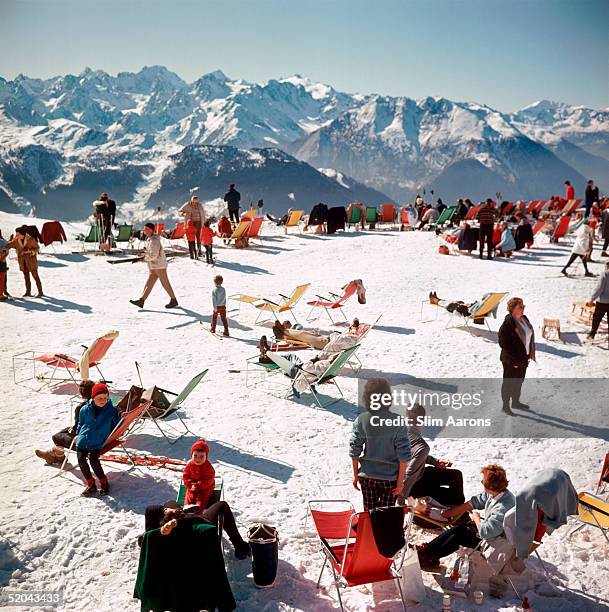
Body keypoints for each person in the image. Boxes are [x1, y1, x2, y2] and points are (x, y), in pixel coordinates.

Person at [417, 464, 515, 571]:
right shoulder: (500, 493)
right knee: (459, 529)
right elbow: (478, 500)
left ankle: (428, 555)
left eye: (483, 481)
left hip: (497, 543)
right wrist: (451, 512)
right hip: (495, 533)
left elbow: (486, 533)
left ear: (489, 486)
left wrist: (476, 518)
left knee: (459, 535)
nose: (481, 483)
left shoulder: (502, 507)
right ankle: (428, 552)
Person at [349, 379, 411, 510]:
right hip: (390, 479)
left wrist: (355, 476)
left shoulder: (361, 420)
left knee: (369, 514)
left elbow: (354, 450)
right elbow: (404, 456)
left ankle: (369, 531)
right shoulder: (398, 421)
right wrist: (400, 483)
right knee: (385, 517)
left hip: (367, 476)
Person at [398, 403, 465, 507]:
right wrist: (400, 501)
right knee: (457, 495)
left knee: (455, 475)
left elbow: (412, 455)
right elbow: (409, 474)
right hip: (412, 487)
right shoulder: (422, 446)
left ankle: (452, 506)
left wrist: (435, 462)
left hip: (411, 479)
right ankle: (457, 511)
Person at [143, 499, 251, 560]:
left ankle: (174, 511)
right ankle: (240, 545)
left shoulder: (151, 538)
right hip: (192, 527)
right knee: (222, 505)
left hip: (179, 527)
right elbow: (206, 529)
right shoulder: (192, 529)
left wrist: (165, 511)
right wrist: (186, 517)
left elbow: (149, 510)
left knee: (170, 503)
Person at [35, 380, 95, 464]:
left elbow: (79, 429)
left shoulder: (82, 408)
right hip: (101, 438)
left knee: (56, 437)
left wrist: (73, 430)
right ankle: (53, 454)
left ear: (81, 393)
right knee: (66, 429)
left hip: (88, 444)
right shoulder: (103, 404)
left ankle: (58, 456)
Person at [76, 383, 120, 496]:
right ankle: (91, 485)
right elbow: (81, 423)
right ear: (93, 397)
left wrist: (121, 417)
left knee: (93, 460)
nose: (103, 400)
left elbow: (118, 424)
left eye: (105, 398)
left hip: (97, 441)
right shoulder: (84, 409)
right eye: (100, 398)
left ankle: (104, 482)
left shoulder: (111, 411)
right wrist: (77, 434)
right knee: (81, 460)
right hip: (83, 440)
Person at [498, 297, 535, 415]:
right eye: (520, 307)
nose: (522, 309)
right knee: (509, 383)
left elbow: (528, 336)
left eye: (523, 306)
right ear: (512, 309)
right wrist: (513, 361)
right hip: (511, 361)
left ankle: (515, 402)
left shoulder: (524, 319)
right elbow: (503, 343)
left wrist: (529, 354)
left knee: (519, 381)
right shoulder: (507, 324)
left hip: (523, 358)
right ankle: (505, 406)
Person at [130, 223, 178, 309]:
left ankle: (173, 300)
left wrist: (144, 259)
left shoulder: (154, 241)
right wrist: (143, 253)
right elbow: (150, 252)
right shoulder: (150, 239)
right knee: (149, 283)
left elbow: (154, 255)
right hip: (154, 265)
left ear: (151, 230)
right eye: (144, 229)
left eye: (146, 229)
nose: (144, 231)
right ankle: (142, 300)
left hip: (159, 265)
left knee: (165, 283)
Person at [6, 226, 43, 297]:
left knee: (35, 276)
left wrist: (30, 251)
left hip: (31, 261)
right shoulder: (16, 240)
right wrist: (6, 243)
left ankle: (40, 292)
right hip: (22, 261)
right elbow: (9, 245)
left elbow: (37, 248)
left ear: (22, 234)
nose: (16, 236)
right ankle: (28, 292)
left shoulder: (31, 239)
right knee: (26, 277)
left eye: (17, 234)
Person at [183, 439, 216, 510]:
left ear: (206, 457)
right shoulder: (190, 465)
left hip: (205, 487)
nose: (198, 459)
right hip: (192, 485)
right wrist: (190, 484)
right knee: (190, 495)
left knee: (202, 498)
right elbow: (186, 475)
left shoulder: (208, 467)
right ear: (191, 455)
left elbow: (209, 479)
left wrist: (199, 485)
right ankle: (187, 507)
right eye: (195, 456)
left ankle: (198, 510)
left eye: (201, 456)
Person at [428, 290, 494, 323]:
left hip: (463, 309)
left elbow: (471, 311)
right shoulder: (485, 306)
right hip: (465, 307)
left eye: (484, 298)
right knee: (452, 302)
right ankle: (436, 299)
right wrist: (471, 305)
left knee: (448, 304)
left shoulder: (481, 306)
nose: (482, 298)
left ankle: (434, 300)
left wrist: (469, 307)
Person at [585, 261, 609, 343]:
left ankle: (592, 334)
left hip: (603, 301)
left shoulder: (605, 274)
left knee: (597, 318)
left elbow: (599, 288)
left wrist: (592, 299)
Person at [0, 229, 8, 301]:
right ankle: (0, 295)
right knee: (1, 279)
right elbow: (8, 245)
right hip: (1, 263)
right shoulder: (2, 242)